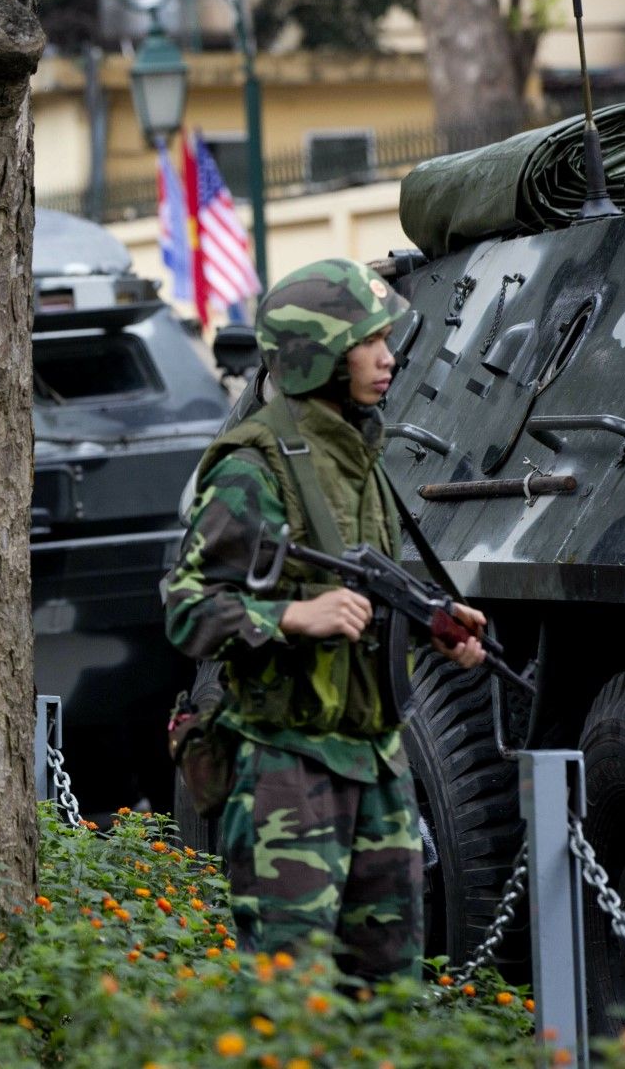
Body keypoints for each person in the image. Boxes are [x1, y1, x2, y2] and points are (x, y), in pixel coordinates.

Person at [162, 258, 488, 982]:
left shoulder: (357, 450)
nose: (388, 356)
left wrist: (431, 620)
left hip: (374, 761)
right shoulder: (253, 465)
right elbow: (187, 612)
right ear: (318, 355)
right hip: (286, 767)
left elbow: (358, 571)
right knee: (290, 998)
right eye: (366, 341)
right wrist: (292, 616)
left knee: (385, 992)